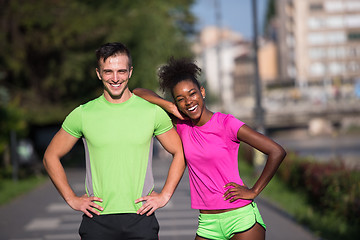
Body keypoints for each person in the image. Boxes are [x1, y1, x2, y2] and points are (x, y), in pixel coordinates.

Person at [43, 43, 186, 240]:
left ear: (130, 72)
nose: (115, 78)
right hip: (97, 220)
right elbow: (50, 156)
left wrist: (165, 195)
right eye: (108, 72)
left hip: (141, 218)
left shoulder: (152, 112)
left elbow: (179, 152)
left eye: (121, 71)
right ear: (98, 73)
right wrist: (72, 199)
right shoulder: (83, 114)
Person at [133, 57, 286, 240]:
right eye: (181, 99)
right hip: (207, 222)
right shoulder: (182, 125)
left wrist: (254, 191)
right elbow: (137, 92)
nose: (189, 102)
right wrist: (170, 106)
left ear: (202, 92)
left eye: (192, 94)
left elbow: (276, 151)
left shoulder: (226, 124)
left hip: (241, 219)